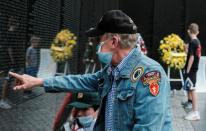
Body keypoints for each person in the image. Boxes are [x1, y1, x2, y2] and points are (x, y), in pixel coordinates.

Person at [9, 10, 172, 130]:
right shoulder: (112, 71)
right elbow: (79, 81)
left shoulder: (150, 74)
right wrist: (38, 81)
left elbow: (148, 128)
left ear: (114, 42)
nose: (97, 46)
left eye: (99, 40)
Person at [183, 23, 201, 121]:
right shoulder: (197, 42)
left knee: (192, 89)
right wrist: (186, 49)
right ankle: (194, 110)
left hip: (192, 70)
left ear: (189, 31)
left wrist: (188, 70)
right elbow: (191, 54)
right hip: (194, 69)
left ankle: (195, 112)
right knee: (191, 88)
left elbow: (192, 57)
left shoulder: (192, 42)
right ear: (197, 32)